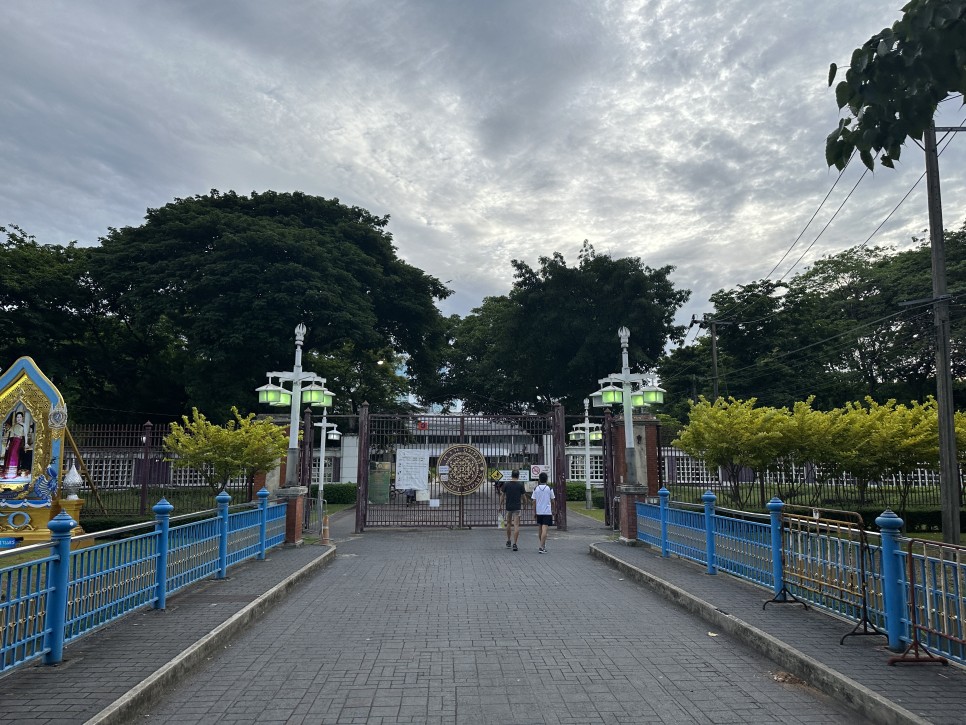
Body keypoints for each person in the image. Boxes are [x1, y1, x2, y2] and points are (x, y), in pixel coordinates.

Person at [500, 469, 526, 551]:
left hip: (509, 507)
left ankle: (508, 541)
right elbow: (524, 497)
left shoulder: (506, 484)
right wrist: (525, 504)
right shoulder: (520, 485)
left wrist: (500, 505)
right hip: (517, 507)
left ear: (511, 475)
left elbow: (502, 496)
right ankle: (515, 544)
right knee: (516, 525)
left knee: (508, 524)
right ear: (518, 476)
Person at [531, 472, 555, 553]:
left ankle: (542, 544)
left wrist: (534, 512)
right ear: (546, 479)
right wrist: (554, 509)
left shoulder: (536, 489)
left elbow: (534, 501)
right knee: (545, 529)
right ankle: (541, 547)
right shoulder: (549, 488)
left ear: (539, 479)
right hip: (547, 511)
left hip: (539, 511)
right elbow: (553, 500)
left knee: (540, 529)